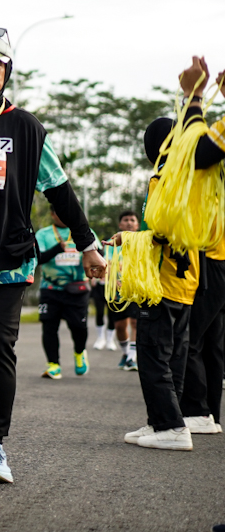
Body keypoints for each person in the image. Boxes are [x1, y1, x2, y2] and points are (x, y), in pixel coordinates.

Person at [0, 28, 106, 483]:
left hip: (9, 255)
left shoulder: (27, 128)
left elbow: (59, 189)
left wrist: (88, 244)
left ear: (7, 72)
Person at [116, 117, 199, 450]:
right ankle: (163, 421)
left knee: (152, 355)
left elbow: (163, 232)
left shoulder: (164, 178)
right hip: (185, 281)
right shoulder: (191, 177)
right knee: (174, 355)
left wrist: (127, 238)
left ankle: (171, 426)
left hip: (162, 282)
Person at [172, 58, 225, 434]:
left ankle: (196, 411)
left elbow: (199, 153)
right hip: (217, 251)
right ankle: (208, 414)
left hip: (214, 252)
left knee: (190, 335)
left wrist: (194, 96)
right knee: (211, 340)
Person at [36, 211, 96, 380]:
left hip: (77, 289)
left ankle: (79, 352)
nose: (63, 215)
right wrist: (58, 248)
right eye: (59, 212)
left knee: (78, 327)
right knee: (49, 326)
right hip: (50, 289)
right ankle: (53, 365)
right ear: (52, 214)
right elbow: (37, 258)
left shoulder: (83, 231)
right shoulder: (43, 234)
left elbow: (98, 253)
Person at [99, 210, 141, 370]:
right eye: (126, 220)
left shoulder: (144, 243)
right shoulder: (112, 244)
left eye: (132, 220)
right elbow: (107, 265)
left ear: (137, 224)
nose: (129, 222)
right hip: (117, 292)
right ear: (120, 224)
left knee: (136, 322)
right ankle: (126, 353)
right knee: (120, 326)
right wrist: (113, 280)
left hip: (137, 291)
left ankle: (132, 358)